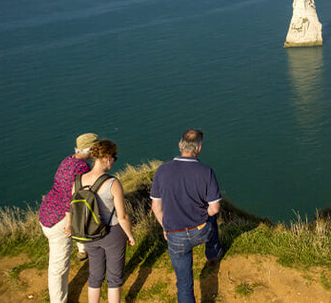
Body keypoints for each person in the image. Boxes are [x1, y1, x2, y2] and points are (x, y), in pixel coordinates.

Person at [150, 129, 222, 303]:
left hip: (175, 234)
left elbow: (156, 207)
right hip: (200, 231)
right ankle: (213, 255)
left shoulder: (162, 170)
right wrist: (203, 213)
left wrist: (165, 227)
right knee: (211, 218)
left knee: (184, 283)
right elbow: (214, 208)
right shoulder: (206, 171)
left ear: (180, 145)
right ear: (199, 148)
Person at [66, 139, 136, 303]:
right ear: (107, 157)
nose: (114, 161)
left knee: (95, 277)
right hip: (112, 233)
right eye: (114, 158)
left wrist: (70, 225)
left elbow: (71, 207)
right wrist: (130, 236)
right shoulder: (112, 182)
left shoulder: (77, 181)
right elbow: (122, 216)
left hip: (89, 233)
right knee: (114, 279)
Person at [39, 132, 99, 303]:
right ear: (91, 149)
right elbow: (72, 197)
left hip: (47, 212)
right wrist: (68, 223)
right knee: (58, 268)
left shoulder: (68, 160)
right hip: (59, 222)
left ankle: (82, 250)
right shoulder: (82, 168)